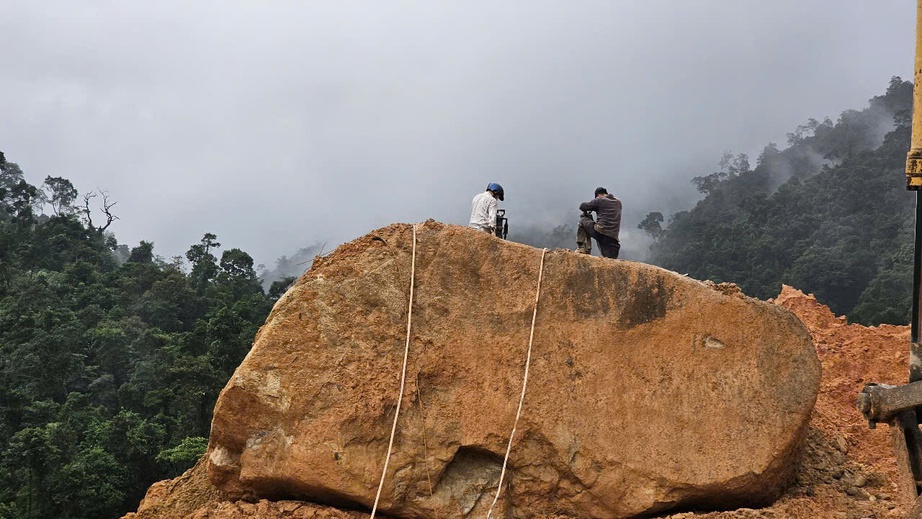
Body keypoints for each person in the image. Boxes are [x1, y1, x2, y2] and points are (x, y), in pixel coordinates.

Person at [576, 187, 621, 258]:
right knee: (609, 259)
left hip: (601, 232)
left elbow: (582, 206)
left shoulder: (599, 200)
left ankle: (582, 248)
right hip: (613, 237)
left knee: (583, 220)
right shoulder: (618, 202)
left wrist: (593, 207)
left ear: (599, 194)